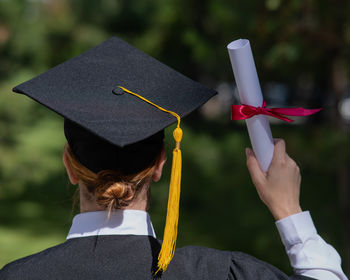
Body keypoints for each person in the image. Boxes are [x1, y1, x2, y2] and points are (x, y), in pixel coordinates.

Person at [0, 36, 347, 280]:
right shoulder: (219, 274)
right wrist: (289, 210)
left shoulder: (16, 276)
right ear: (161, 165)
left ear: (68, 165)